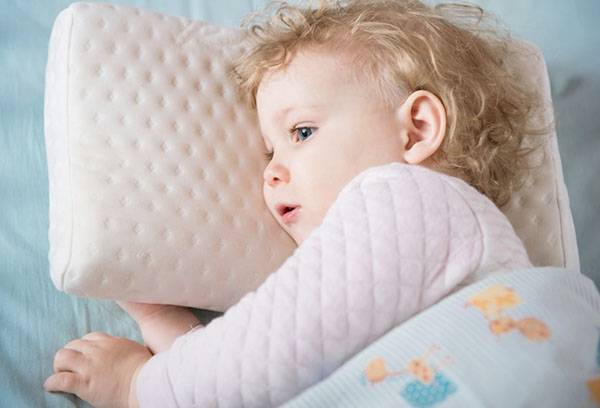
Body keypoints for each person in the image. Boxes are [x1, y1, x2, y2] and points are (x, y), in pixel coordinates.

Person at [43, 0, 548, 406]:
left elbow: (261, 358)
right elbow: (289, 370)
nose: (270, 172)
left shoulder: (415, 199)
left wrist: (140, 387)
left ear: (416, 130)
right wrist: (164, 325)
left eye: (302, 132)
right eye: (270, 150)